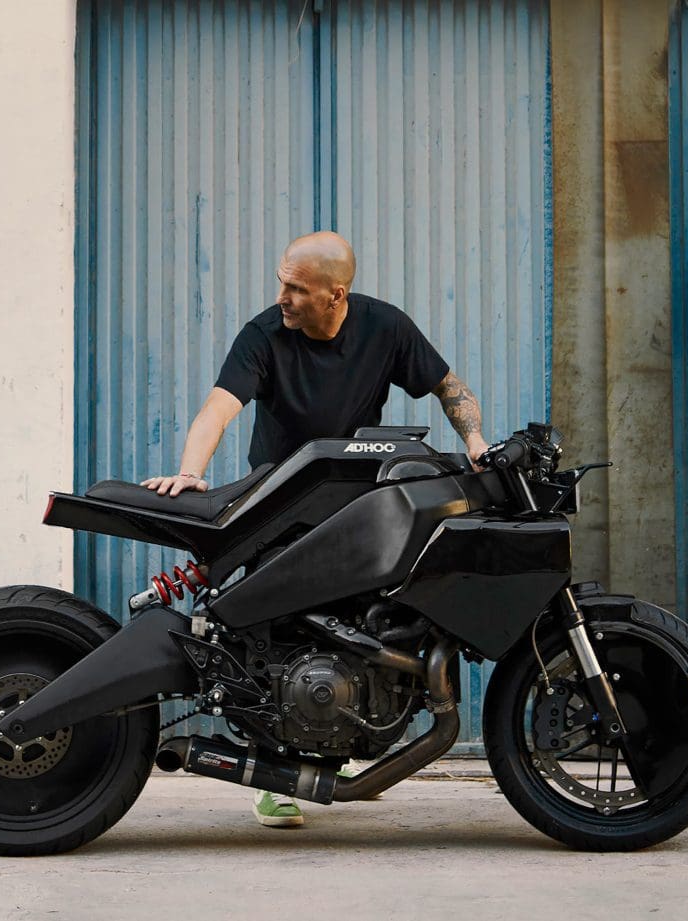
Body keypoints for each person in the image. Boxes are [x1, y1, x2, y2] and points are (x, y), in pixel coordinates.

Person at [141, 231, 489, 827]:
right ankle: (270, 775)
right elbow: (218, 408)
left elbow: (448, 386)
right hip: (276, 505)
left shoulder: (385, 327)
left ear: (336, 295)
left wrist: (476, 442)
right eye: (282, 282)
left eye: (297, 288)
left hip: (357, 502)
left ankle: (341, 750)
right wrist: (191, 472)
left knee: (357, 629)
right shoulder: (264, 334)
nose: (282, 297)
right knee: (272, 635)